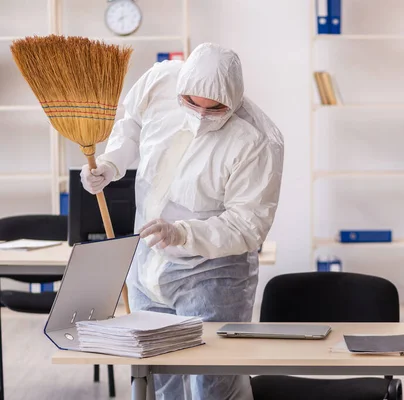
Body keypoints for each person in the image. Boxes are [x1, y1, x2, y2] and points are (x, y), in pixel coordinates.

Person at [80, 43, 284, 400]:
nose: (202, 115)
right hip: (147, 262)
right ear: (180, 88)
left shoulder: (258, 141)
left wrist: (182, 233)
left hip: (213, 273)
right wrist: (111, 164)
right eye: (192, 103)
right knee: (154, 379)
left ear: (235, 102)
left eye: (216, 108)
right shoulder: (160, 80)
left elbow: (248, 225)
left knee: (212, 383)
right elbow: (131, 127)